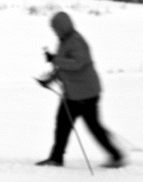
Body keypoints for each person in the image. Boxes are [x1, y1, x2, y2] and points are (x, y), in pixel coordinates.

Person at [35, 11, 127, 169]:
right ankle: (57, 158)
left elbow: (77, 63)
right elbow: (63, 67)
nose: (55, 31)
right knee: (71, 126)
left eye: (56, 28)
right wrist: (48, 80)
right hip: (76, 93)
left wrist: (54, 59)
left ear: (62, 27)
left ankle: (115, 156)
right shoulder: (65, 41)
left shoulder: (76, 41)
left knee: (81, 127)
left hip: (83, 94)